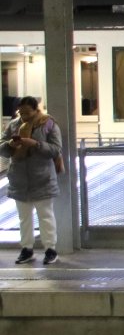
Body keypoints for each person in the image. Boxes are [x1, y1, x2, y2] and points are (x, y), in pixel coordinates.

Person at [2, 97, 62, 265]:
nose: (24, 116)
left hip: (42, 179)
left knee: (46, 216)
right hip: (19, 180)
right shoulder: (13, 125)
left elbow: (56, 150)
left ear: (36, 110)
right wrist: (9, 145)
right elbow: (1, 146)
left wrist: (35, 144)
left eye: (27, 112)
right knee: (24, 218)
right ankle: (27, 249)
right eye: (21, 112)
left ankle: (50, 249)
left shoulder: (48, 124)